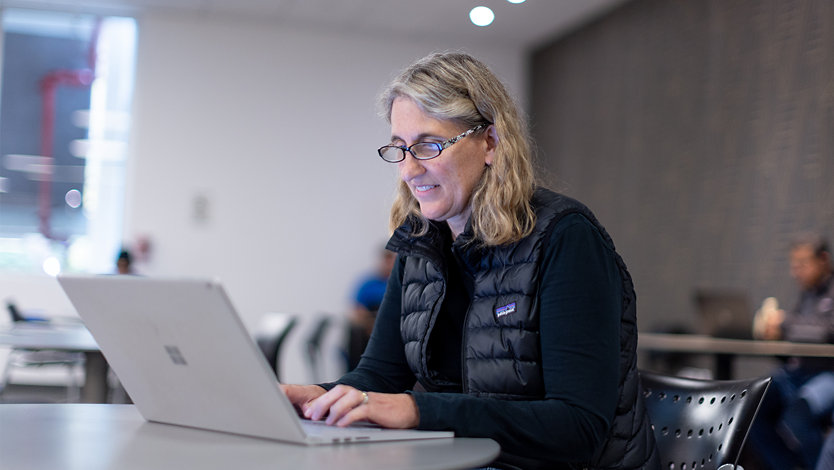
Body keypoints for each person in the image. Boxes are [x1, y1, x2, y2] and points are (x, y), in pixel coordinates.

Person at [281, 51, 658, 469]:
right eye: (399, 148)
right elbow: (377, 378)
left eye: (428, 145)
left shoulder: (565, 238)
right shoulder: (422, 242)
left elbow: (578, 429)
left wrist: (417, 411)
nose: (408, 170)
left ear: (490, 143)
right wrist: (323, 397)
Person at [749, 233, 834, 470]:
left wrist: (785, 324)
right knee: (751, 406)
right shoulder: (806, 294)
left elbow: (827, 331)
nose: (796, 271)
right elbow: (797, 342)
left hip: (827, 373)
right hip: (797, 372)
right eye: (794, 265)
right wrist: (776, 337)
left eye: (803, 264)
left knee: (799, 415)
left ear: (823, 260)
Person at [346, 247, 396, 370]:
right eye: (386, 260)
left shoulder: (400, 284)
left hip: (394, 326)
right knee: (355, 329)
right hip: (370, 326)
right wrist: (370, 324)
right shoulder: (368, 284)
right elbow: (356, 311)